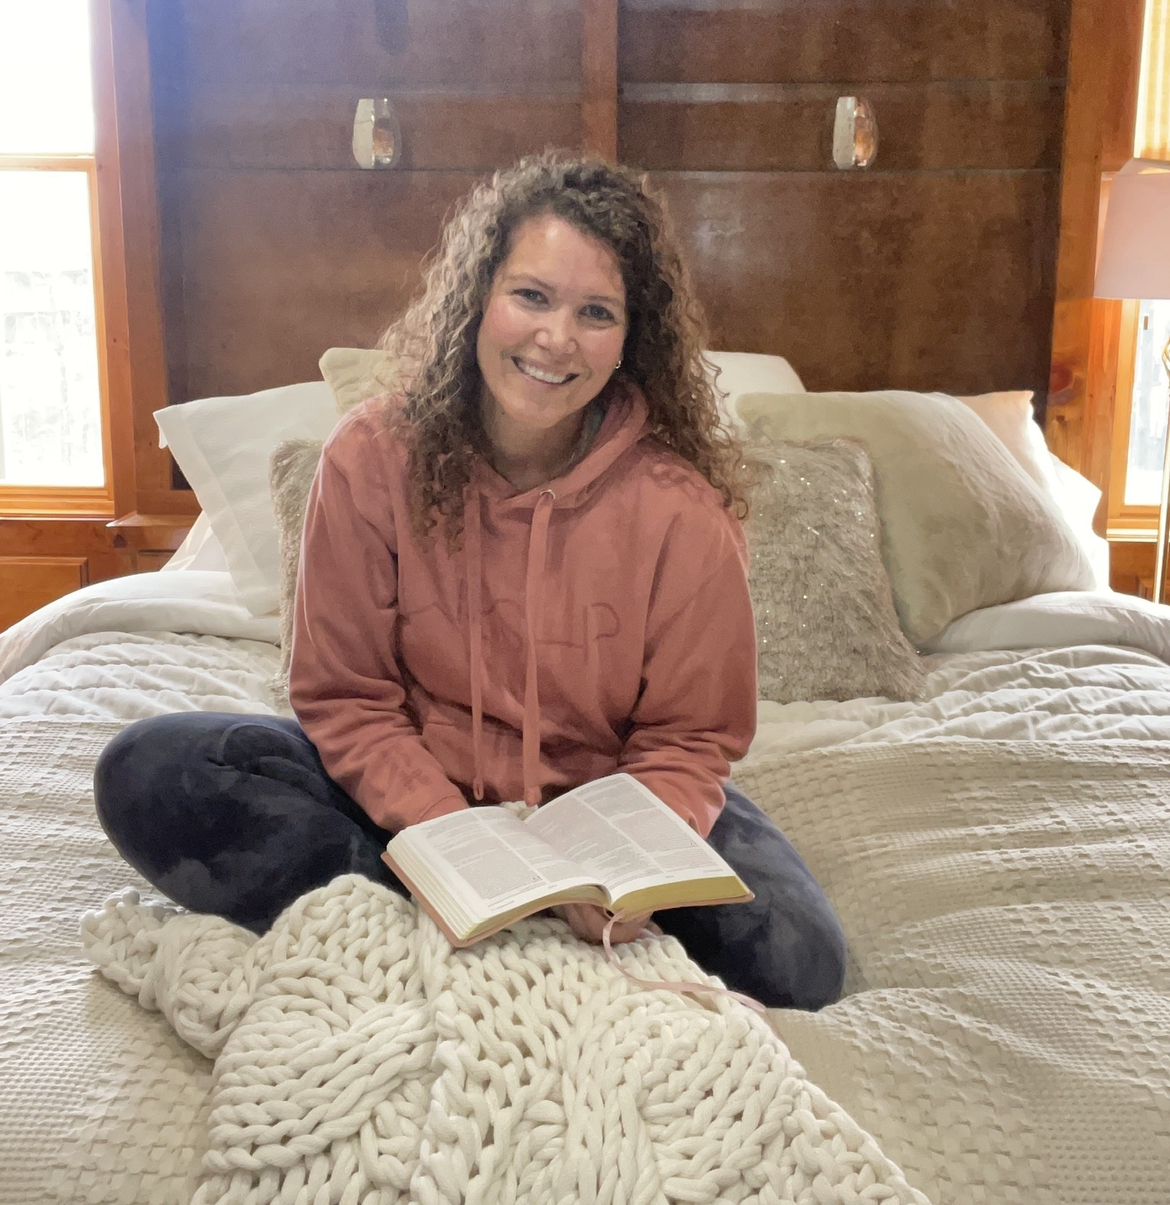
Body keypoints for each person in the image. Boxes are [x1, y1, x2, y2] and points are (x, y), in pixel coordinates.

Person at [94, 153, 846, 1009]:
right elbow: (347, 698)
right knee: (149, 770)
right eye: (531, 296)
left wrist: (626, 862)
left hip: (605, 813)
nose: (556, 338)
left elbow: (687, 738)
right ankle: (464, 923)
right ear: (479, 297)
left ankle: (482, 938)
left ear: (631, 337)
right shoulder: (372, 458)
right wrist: (449, 839)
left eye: (595, 312)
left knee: (800, 959)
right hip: (412, 803)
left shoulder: (682, 510)